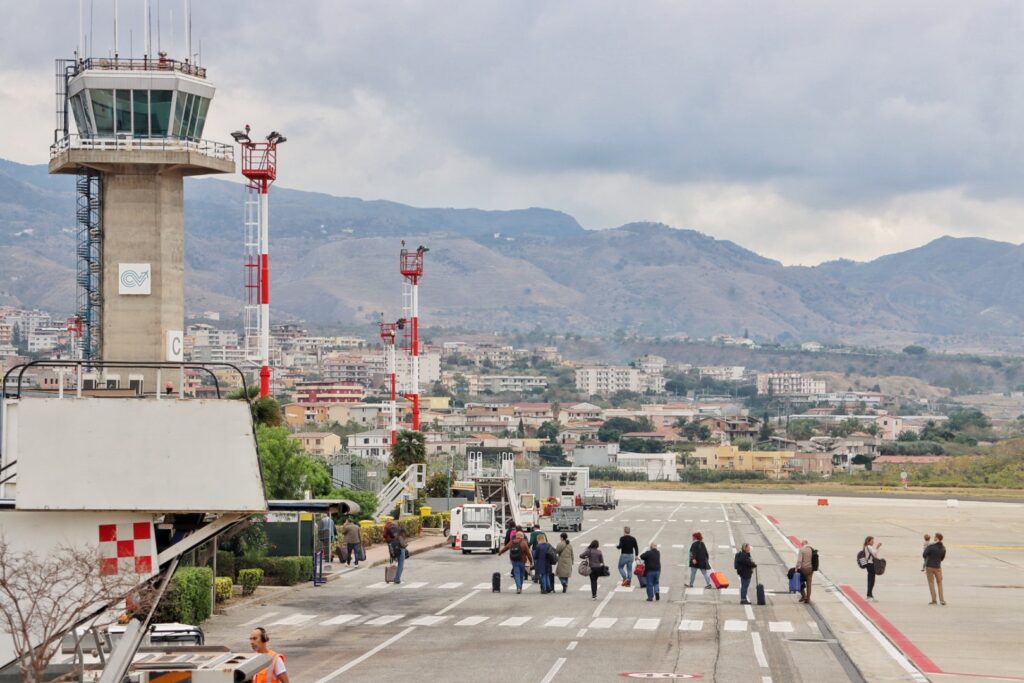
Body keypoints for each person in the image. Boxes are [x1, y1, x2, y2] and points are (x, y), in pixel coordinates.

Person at [924, 532, 946, 605]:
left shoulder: (931, 547)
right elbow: (942, 558)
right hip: (938, 567)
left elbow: (924, 554)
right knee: (939, 583)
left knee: (931, 583)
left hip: (929, 566)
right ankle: (942, 599)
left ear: (937, 538)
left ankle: (934, 600)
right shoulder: (943, 548)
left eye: (935, 537)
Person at [863, 536, 882, 600]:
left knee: (870, 580)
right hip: (871, 565)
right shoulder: (869, 547)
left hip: (869, 564)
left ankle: (869, 594)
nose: (873, 542)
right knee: (872, 580)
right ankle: (869, 595)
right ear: (868, 541)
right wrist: (878, 547)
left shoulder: (866, 547)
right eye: (872, 541)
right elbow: (875, 554)